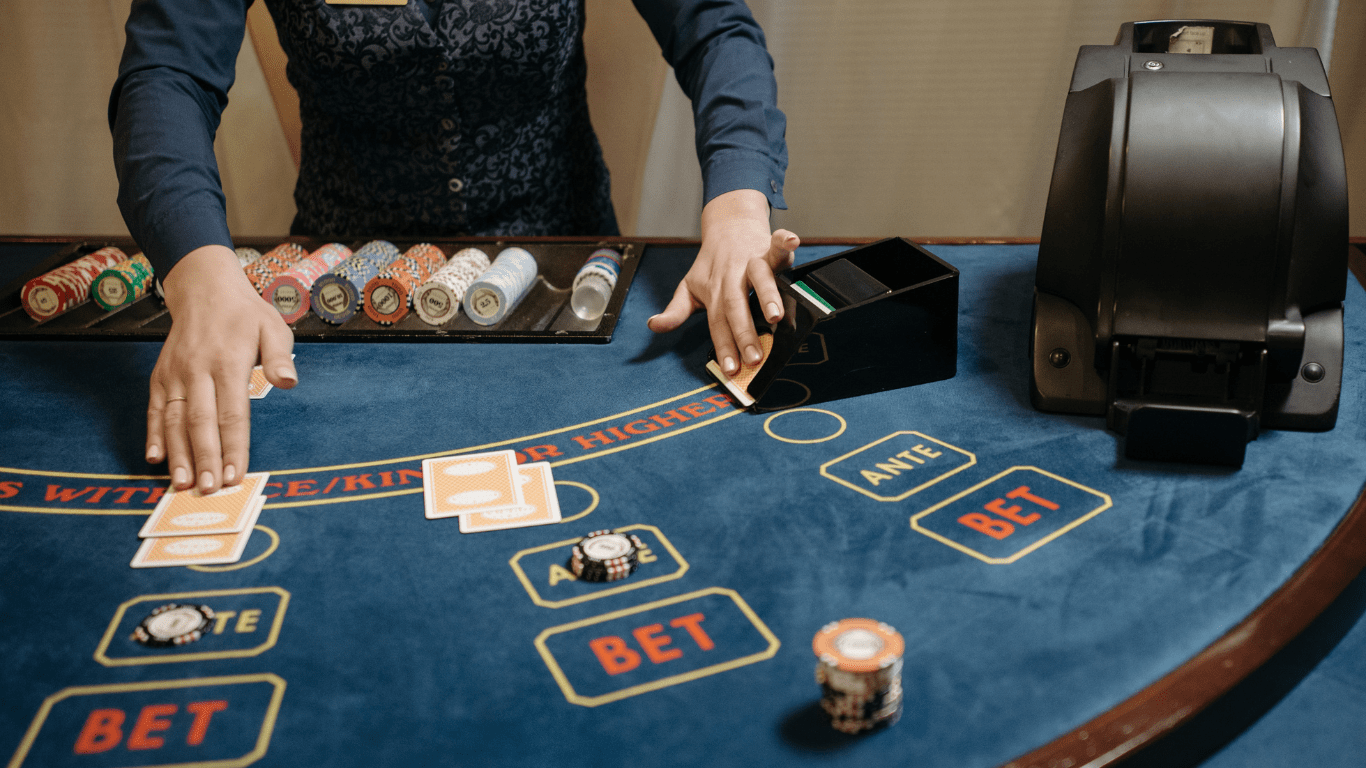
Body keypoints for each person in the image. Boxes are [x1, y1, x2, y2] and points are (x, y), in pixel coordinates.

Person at [111, 0, 797, 496]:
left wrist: (739, 204)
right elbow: (166, 75)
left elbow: (712, 24)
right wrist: (197, 276)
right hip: (348, 304)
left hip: (564, 291)